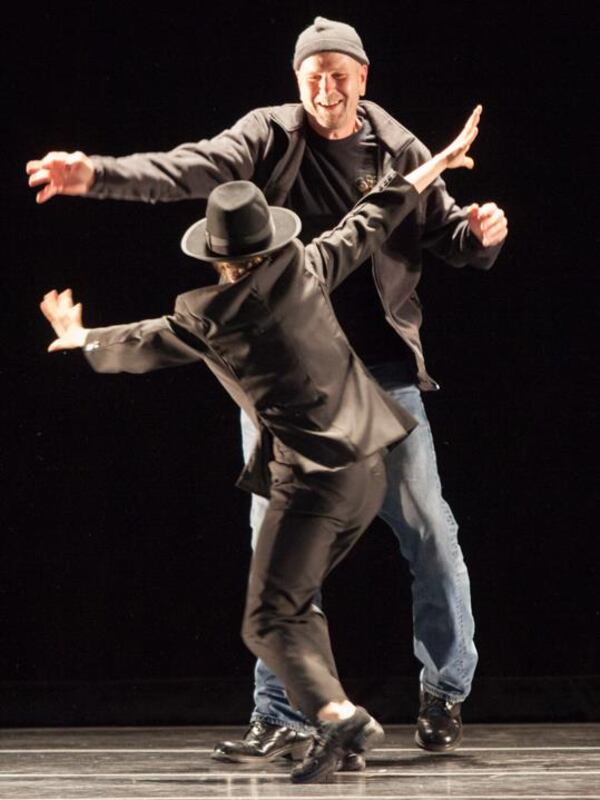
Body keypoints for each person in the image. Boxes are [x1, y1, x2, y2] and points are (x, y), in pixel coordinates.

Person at [27, 17, 508, 759]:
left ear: (363, 78)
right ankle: (284, 710)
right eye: (312, 73)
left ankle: (444, 688)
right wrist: (94, 173)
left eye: (339, 73)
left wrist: (478, 235)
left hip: (378, 379)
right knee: (276, 551)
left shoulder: (390, 149)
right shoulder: (269, 142)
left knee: (428, 534)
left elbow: (417, 225)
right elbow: (187, 170)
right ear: (296, 80)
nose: (325, 86)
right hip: (286, 398)